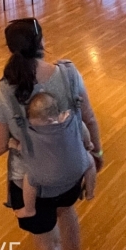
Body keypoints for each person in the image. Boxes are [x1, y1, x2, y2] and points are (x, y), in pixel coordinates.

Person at [0, 18, 103, 250]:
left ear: (11, 49)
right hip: (71, 169)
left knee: (45, 247)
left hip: (30, 179)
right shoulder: (68, 74)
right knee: (67, 214)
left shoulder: (3, 90)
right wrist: (97, 152)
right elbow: (90, 119)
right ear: (41, 43)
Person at [12, 92, 97, 220]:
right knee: (90, 162)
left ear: (49, 121)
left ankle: (29, 209)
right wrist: (88, 143)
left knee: (29, 179)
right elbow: (83, 129)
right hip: (77, 168)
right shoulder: (70, 118)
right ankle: (90, 192)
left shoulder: (33, 134)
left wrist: (14, 145)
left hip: (48, 178)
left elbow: (24, 150)